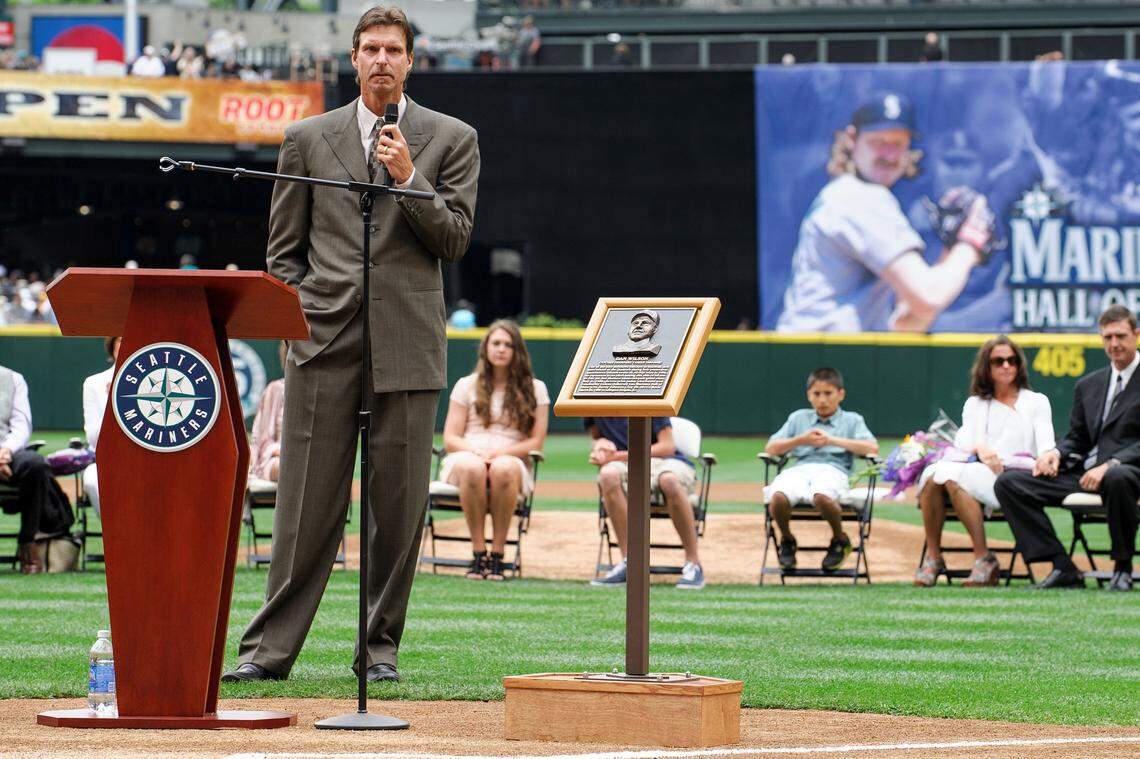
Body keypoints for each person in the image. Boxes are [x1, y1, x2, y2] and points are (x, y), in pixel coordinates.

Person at [222, 5, 479, 685]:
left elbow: (453, 238)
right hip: (321, 345)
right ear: (353, 57)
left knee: (397, 509)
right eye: (370, 48)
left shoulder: (451, 138)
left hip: (409, 345)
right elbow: (283, 255)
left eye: (394, 49)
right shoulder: (307, 136)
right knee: (304, 507)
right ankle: (267, 651)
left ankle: (379, 647)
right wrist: (300, 324)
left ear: (411, 60)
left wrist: (407, 178)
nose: (381, 60)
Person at [776, 93, 993, 333]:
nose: (889, 155)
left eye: (898, 144)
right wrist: (970, 243)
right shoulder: (859, 197)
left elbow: (906, 322)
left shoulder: (850, 193)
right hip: (814, 355)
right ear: (852, 139)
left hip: (825, 354)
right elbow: (929, 296)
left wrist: (949, 252)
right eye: (878, 142)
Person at [995, 305, 1140, 592]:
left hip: (1129, 473)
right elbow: (1078, 437)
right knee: (1009, 483)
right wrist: (1055, 453)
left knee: (1117, 477)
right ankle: (1062, 565)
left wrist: (1112, 464)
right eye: (1107, 337)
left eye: (1120, 336)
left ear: (1136, 335)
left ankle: (1122, 568)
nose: (1114, 344)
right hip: (1083, 475)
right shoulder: (1089, 385)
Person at [914, 336, 1054, 587]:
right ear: (986, 367)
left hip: (1012, 478)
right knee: (936, 474)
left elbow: (1046, 446)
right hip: (976, 469)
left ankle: (983, 558)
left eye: (1011, 360)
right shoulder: (975, 404)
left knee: (953, 476)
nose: (1006, 366)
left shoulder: (1036, 401)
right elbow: (964, 443)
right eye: (998, 361)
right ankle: (934, 557)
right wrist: (981, 449)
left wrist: (1048, 457)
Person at [439, 320, 548, 581]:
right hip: (468, 452)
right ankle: (478, 553)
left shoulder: (535, 388)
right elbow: (451, 438)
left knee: (504, 468)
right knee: (472, 467)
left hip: (511, 456)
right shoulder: (466, 384)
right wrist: (477, 451)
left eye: (508, 344)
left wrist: (501, 454)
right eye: (495, 343)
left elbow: (536, 442)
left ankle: (498, 554)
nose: (501, 349)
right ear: (485, 348)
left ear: (517, 351)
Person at [763, 367, 878, 572]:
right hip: (801, 469)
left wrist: (831, 440)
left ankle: (838, 540)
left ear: (840, 394)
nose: (822, 400)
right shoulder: (799, 418)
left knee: (821, 495)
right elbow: (771, 448)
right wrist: (802, 439)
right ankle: (787, 540)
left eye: (828, 393)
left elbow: (872, 448)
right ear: (809, 395)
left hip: (835, 470)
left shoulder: (852, 420)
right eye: (816, 394)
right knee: (778, 496)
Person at [588, 417, 705, 590]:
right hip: (625, 463)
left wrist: (618, 455)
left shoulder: (647, 393)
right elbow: (597, 435)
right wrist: (600, 447)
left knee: (669, 480)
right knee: (607, 475)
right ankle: (630, 562)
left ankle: (694, 563)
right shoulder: (595, 398)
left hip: (667, 460)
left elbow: (667, 446)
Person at [0, 364, 73, 574]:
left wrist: (5, 452)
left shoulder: (12, 379)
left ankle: (28, 540)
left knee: (35, 464)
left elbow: (21, 425)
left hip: (7, 452)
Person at [81, 337, 121, 517]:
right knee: (92, 479)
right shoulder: (94, 383)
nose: (127, 343)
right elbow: (94, 439)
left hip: (150, 462)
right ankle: (119, 537)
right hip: (106, 461)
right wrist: (115, 403)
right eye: (121, 339)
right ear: (112, 346)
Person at [248, 342, 287, 483]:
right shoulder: (276, 389)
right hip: (275, 460)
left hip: (308, 458)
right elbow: (262, 441)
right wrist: (283, 452)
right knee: (290, 467)